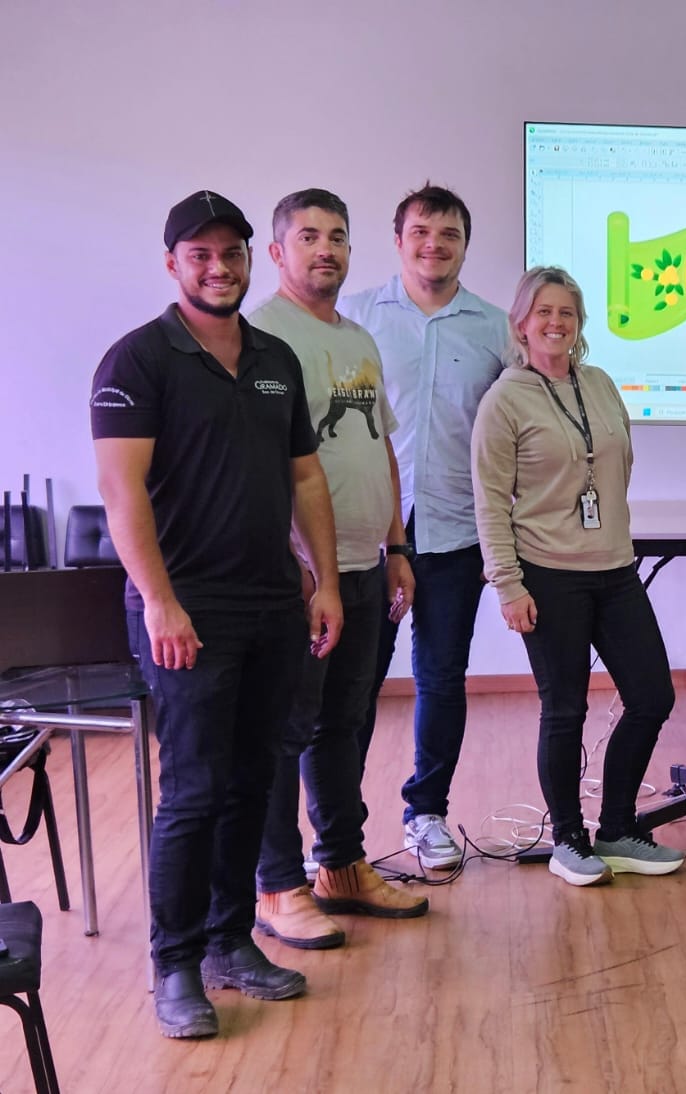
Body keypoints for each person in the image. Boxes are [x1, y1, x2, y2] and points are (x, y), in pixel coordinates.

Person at [90, 191, 343, 1038]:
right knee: (194, 791)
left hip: (272, 604)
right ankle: (175, 964)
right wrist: (161, 603)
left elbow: (305, 476)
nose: (218, 267)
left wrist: (325, 582)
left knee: (252, 781)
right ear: (174, 264)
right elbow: (121, 493)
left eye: (231, 252)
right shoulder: (138, 361)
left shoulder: (275, 358)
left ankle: (231, 942)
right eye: (200, 254)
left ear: (248, 259)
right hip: (186, 613)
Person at [249, 189, 428, 950]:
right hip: (298, 578)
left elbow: (379, 446)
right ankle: (277, 885)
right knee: (283, 732)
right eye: (309, 236)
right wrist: (301, 566)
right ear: (277, 251)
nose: (326, 249)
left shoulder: (358, 338)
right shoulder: (260, 337)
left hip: (363, 566)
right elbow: (260, 464)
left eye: (338, 237)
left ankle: (342, 867)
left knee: (343, 726)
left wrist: (396, 547)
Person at [471, 266, 682, 887]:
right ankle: (569, 839)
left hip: (615, 569)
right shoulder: (504, 400)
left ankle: (616, 830)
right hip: (547, 575)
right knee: (564, 711)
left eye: (566, 312)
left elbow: (621, 464)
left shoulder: (600, 384)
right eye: (543, 312)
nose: (555, 323)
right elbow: (490, 501)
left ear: (579, 323)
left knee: (652, 697)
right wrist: (508, 584)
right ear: (521, 324)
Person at [343, 184, 508, 870]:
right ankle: (338, 830)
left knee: (442, 678)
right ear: (398, 240)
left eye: (448, 235)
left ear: (465, 245)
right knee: (353, 684)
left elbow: (515, 428)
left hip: (456, 533)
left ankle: (427, 812)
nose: (433, 245)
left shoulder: (495, 328)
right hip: (367, 535)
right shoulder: (355, 318)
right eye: (420, 232)